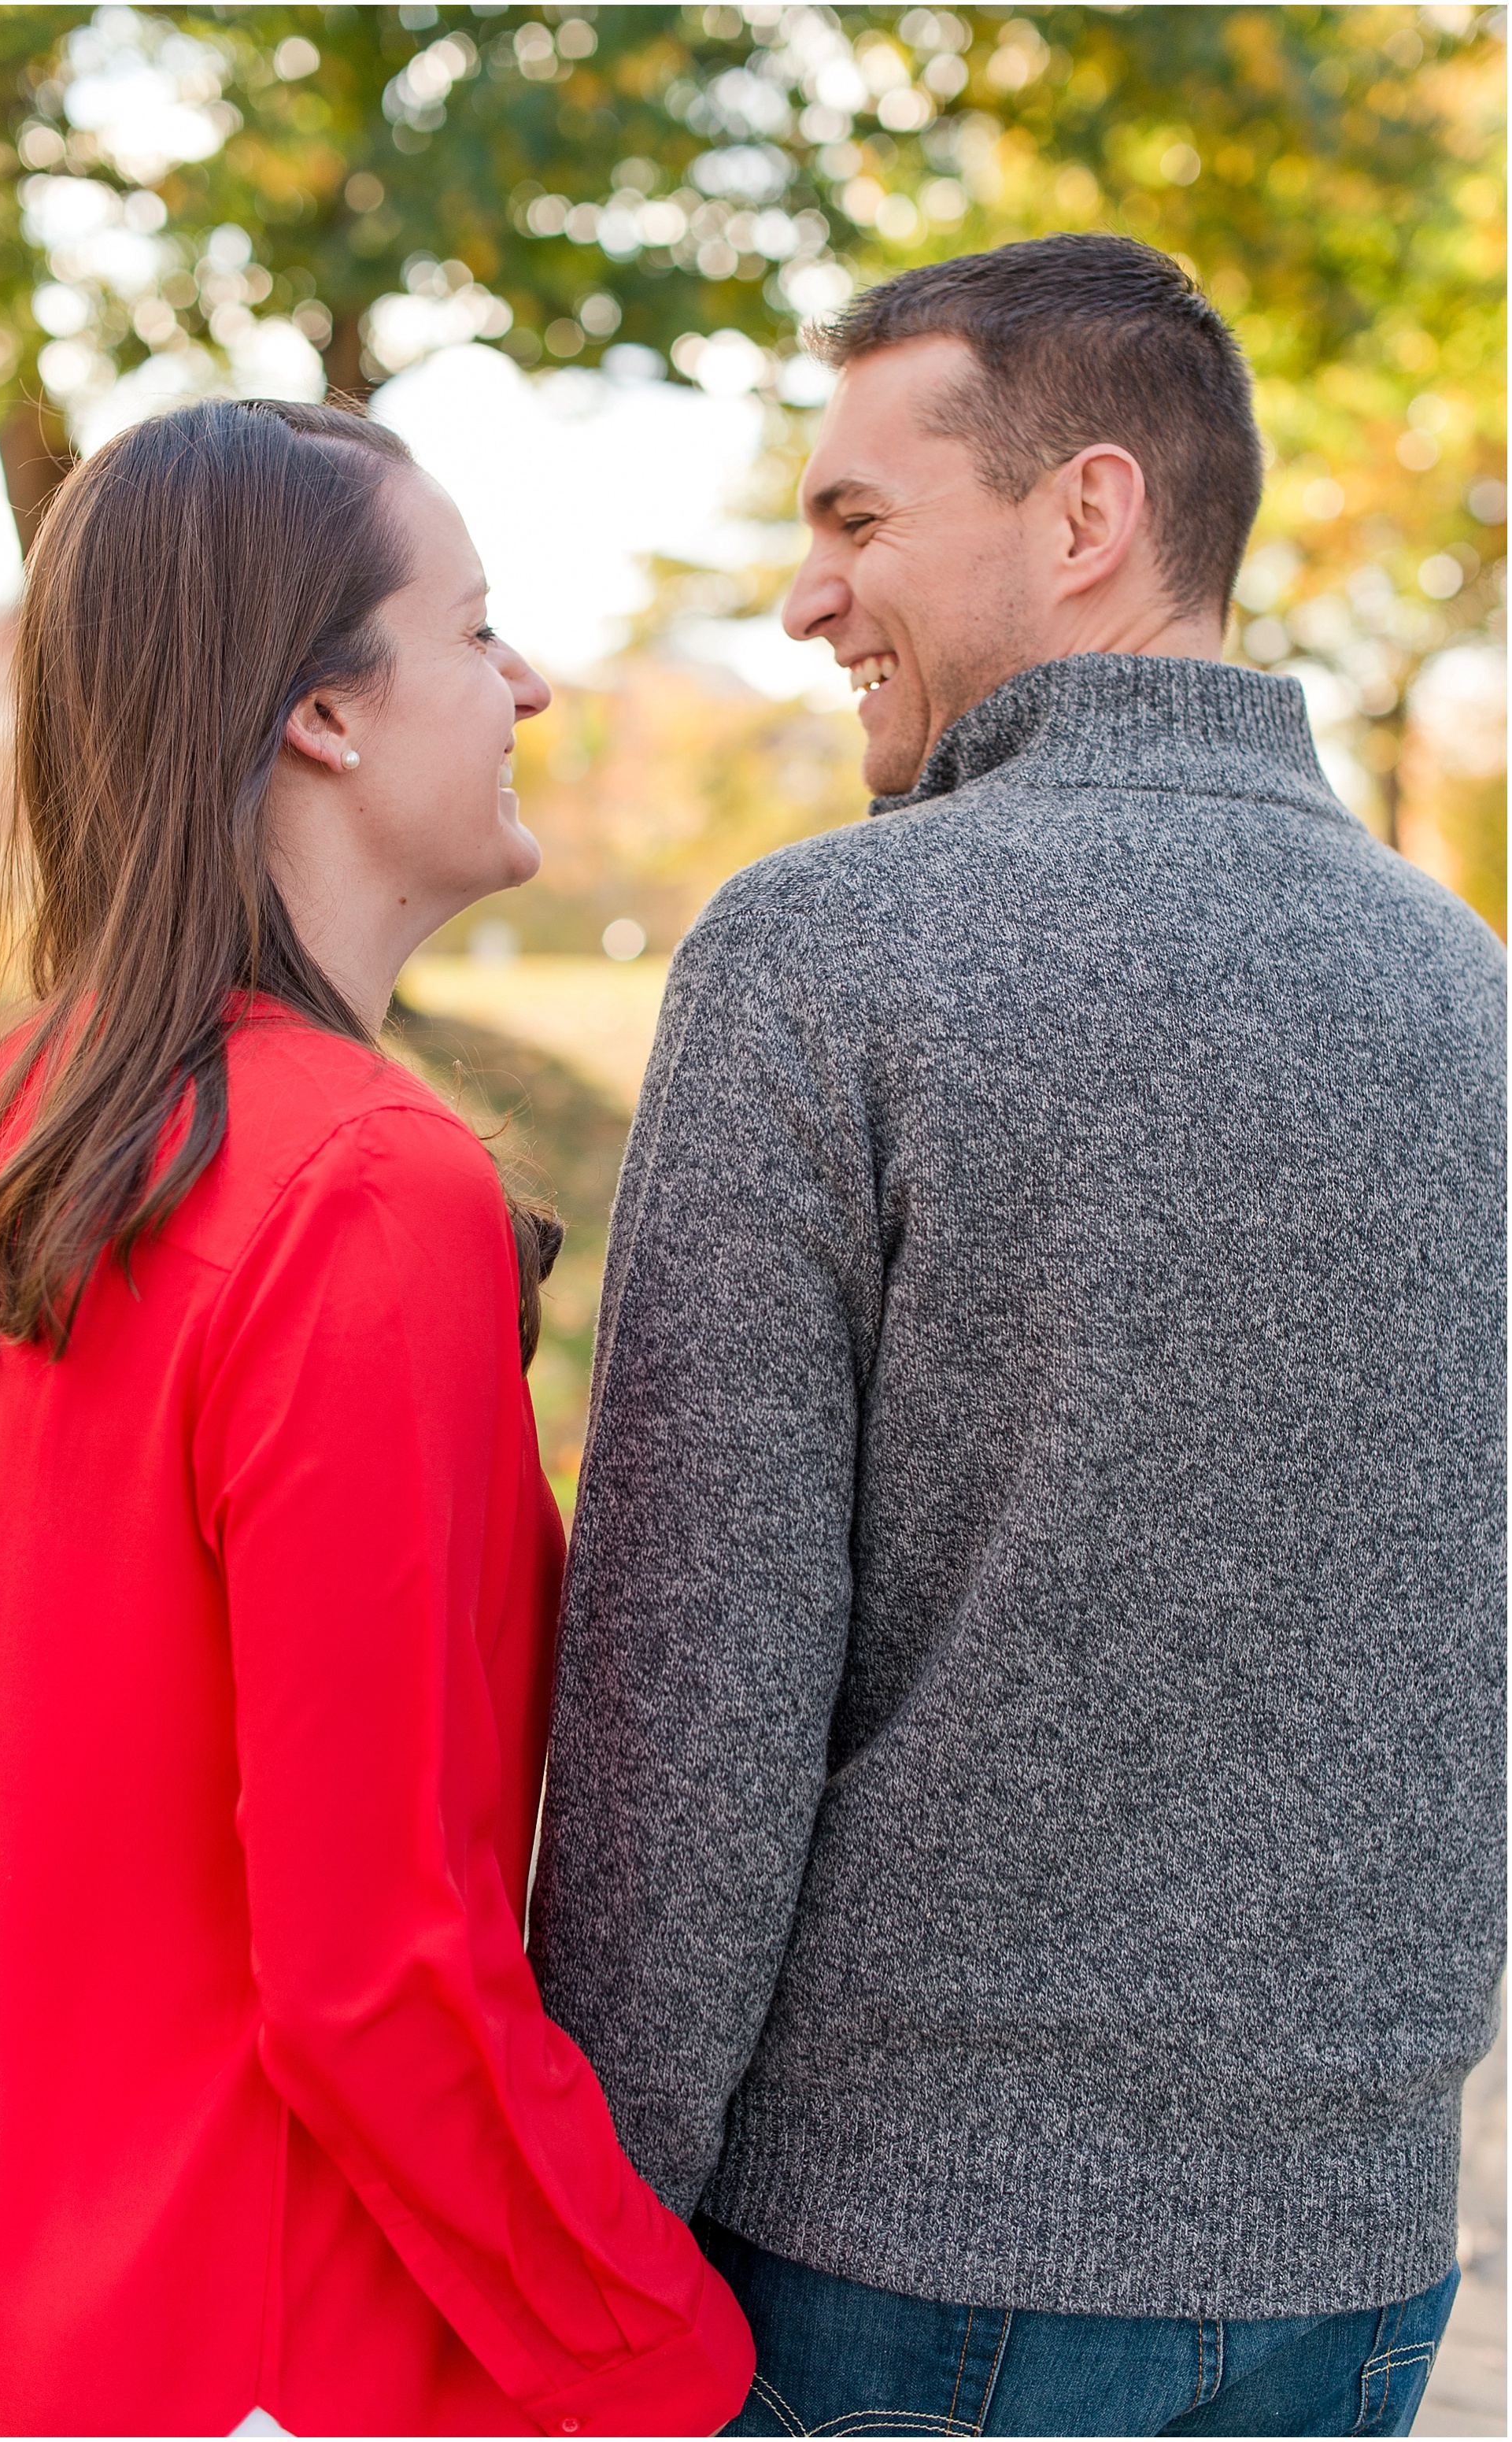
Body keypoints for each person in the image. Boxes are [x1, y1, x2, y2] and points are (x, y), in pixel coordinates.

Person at [530, 233, 1506, 2438]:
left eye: (856, 520)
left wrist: (585, 2235)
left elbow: (697, 1685)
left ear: (1084, 516)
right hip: (1348, 2274)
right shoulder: (1468, 992)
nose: (803, 600)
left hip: (894, 2272)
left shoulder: (822, 956)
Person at [0, 398, 753, 2439]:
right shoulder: (365, 1191)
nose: (528, 682)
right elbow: (377, 1968)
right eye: (472, 631)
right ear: (324, 718)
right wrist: (652, 2355)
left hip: (1, 2318)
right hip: (280, 2349)